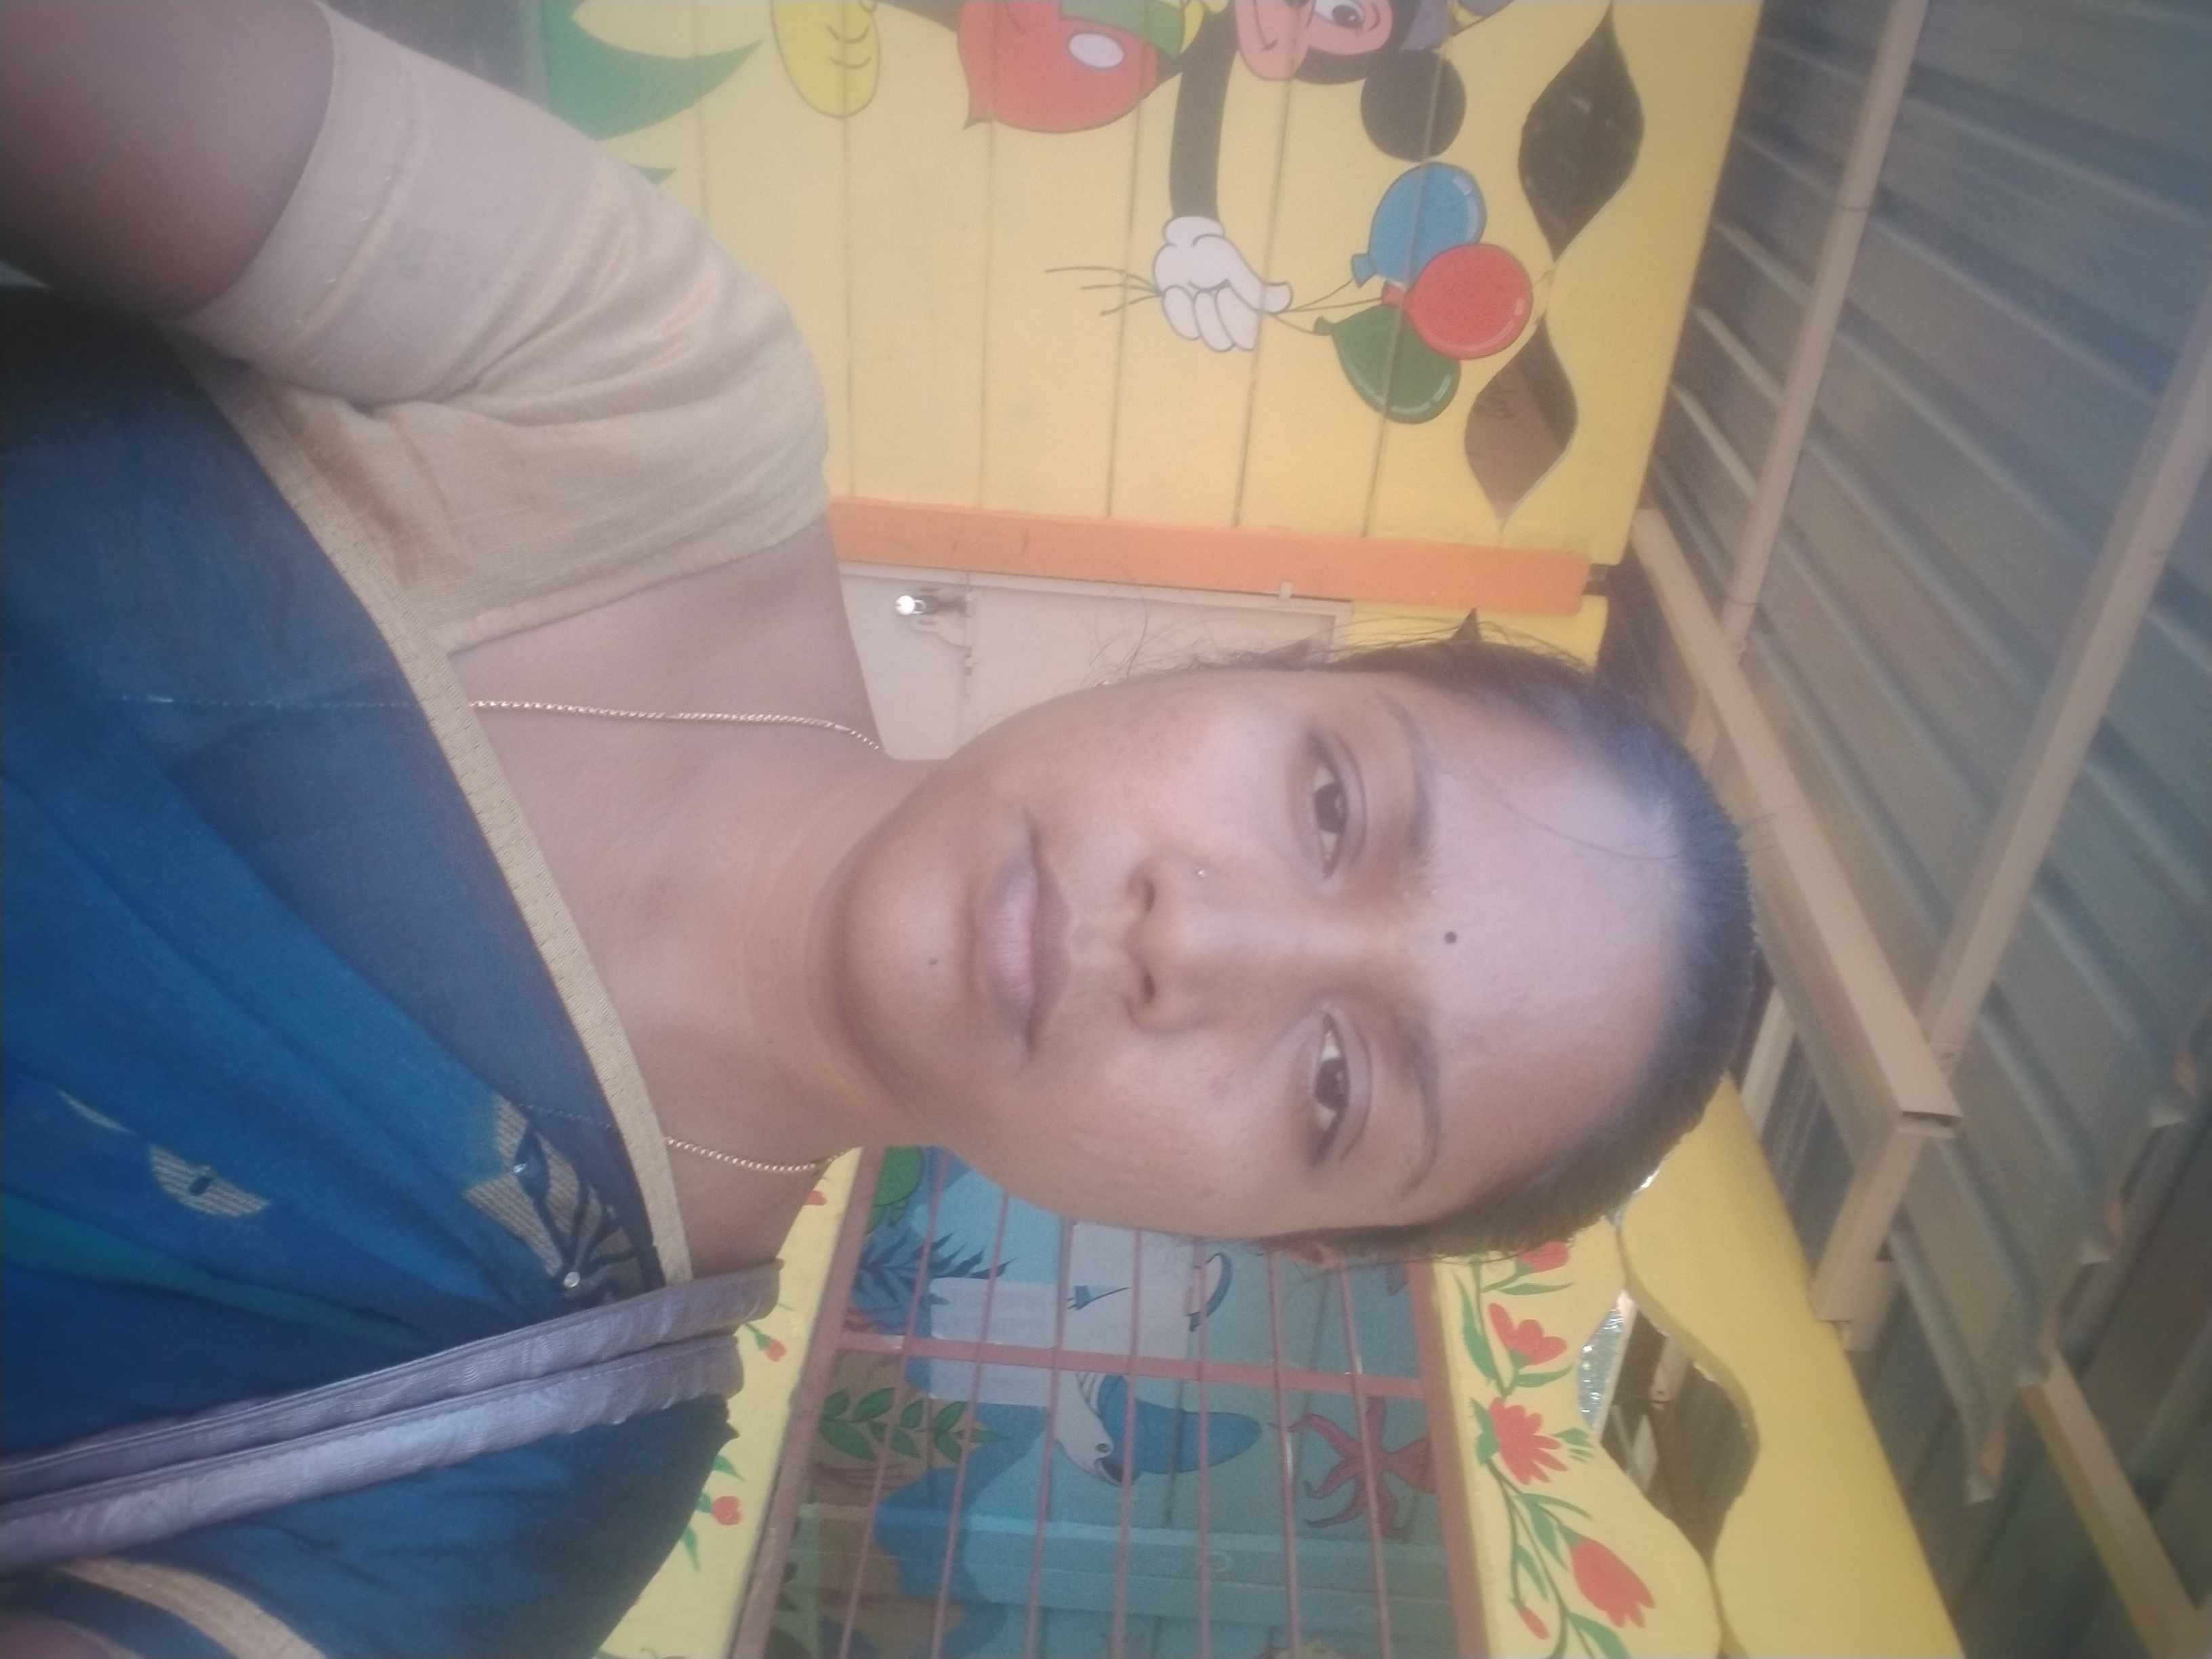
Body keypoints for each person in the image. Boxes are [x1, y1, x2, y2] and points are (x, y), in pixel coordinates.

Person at [0, 3, 1753, 1655]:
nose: (1197, 940)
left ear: (1272, 1241)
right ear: (1259, 660)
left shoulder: (508, 1486)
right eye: (1330, 802)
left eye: (1336, 1086)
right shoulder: (643, 394)